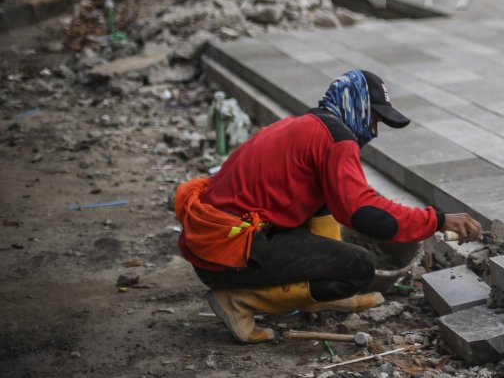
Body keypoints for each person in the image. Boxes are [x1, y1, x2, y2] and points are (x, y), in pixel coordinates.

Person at [173, 69, 484, 344]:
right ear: (355, 105)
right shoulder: (337, 138)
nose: (374, 131)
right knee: (358, 267)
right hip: (230, 255)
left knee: (324, 200)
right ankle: (239, 301)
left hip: (214, 248)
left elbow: (343, 200)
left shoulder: (303, 125)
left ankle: (312, 298)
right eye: (374, 118)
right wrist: (438, 220)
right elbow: (363, 212)